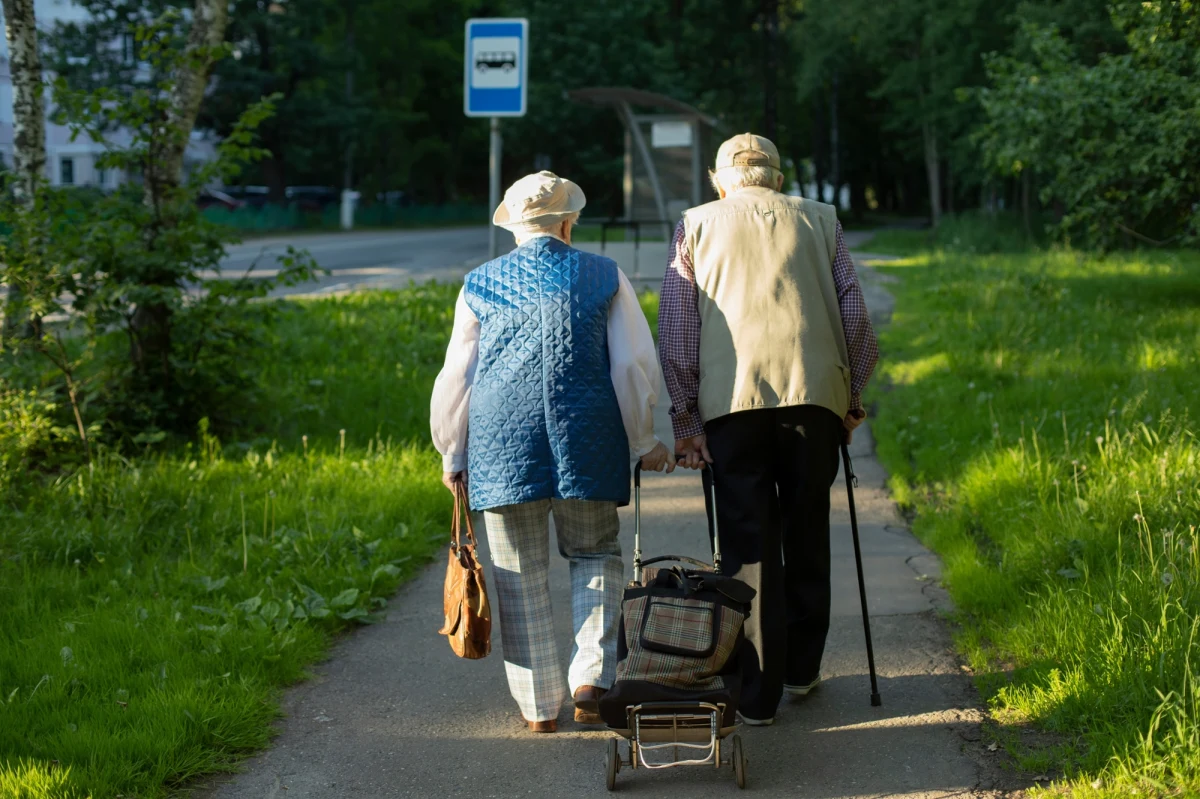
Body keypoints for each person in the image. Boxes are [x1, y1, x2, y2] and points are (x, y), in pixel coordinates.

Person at [431, 171, 674, 734]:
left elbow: (456, 378)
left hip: (500, 441)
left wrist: (452, 454)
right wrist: (644, 441)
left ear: (513, 227)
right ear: (569, 222)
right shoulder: (603, 275)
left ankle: (540, 708)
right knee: (594, 554)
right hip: (585, 437)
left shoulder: (479, 283)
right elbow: (631, 365)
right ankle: (590, 677)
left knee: (518, 571)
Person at [658, 134, 879, 726]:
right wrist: (850, 398)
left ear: (720, 180)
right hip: (815, 401)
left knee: (748, 547)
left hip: (732, 407)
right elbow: (854, 315)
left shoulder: (695, 225)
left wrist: (685, 420)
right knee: (808, 530)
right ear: (777, 178)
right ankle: (803, 670)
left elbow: (678, 328)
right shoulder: (822, 220)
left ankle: (758, 693)